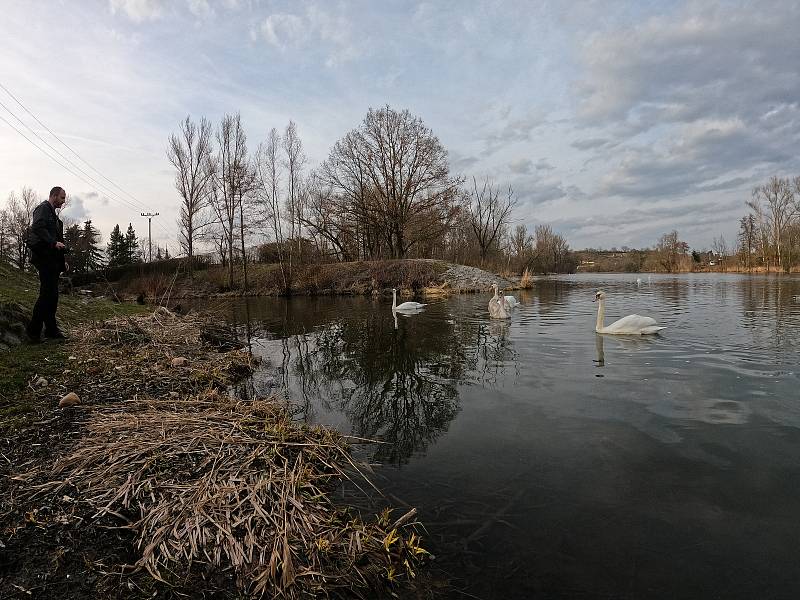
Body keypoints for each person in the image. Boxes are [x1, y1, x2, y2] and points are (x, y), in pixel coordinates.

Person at [25, 186, 69, 342]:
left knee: (53, 296)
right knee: (46, 295)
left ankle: (51, 330)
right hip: (44, 258)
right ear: (54, 195)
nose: (64, 201)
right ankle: (33, 331)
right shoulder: (43, 208)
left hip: (52, 259)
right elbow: (37, 227)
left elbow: (58, 240)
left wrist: (63, 261)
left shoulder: (53, 215)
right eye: (62, 198)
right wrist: (52, 243)